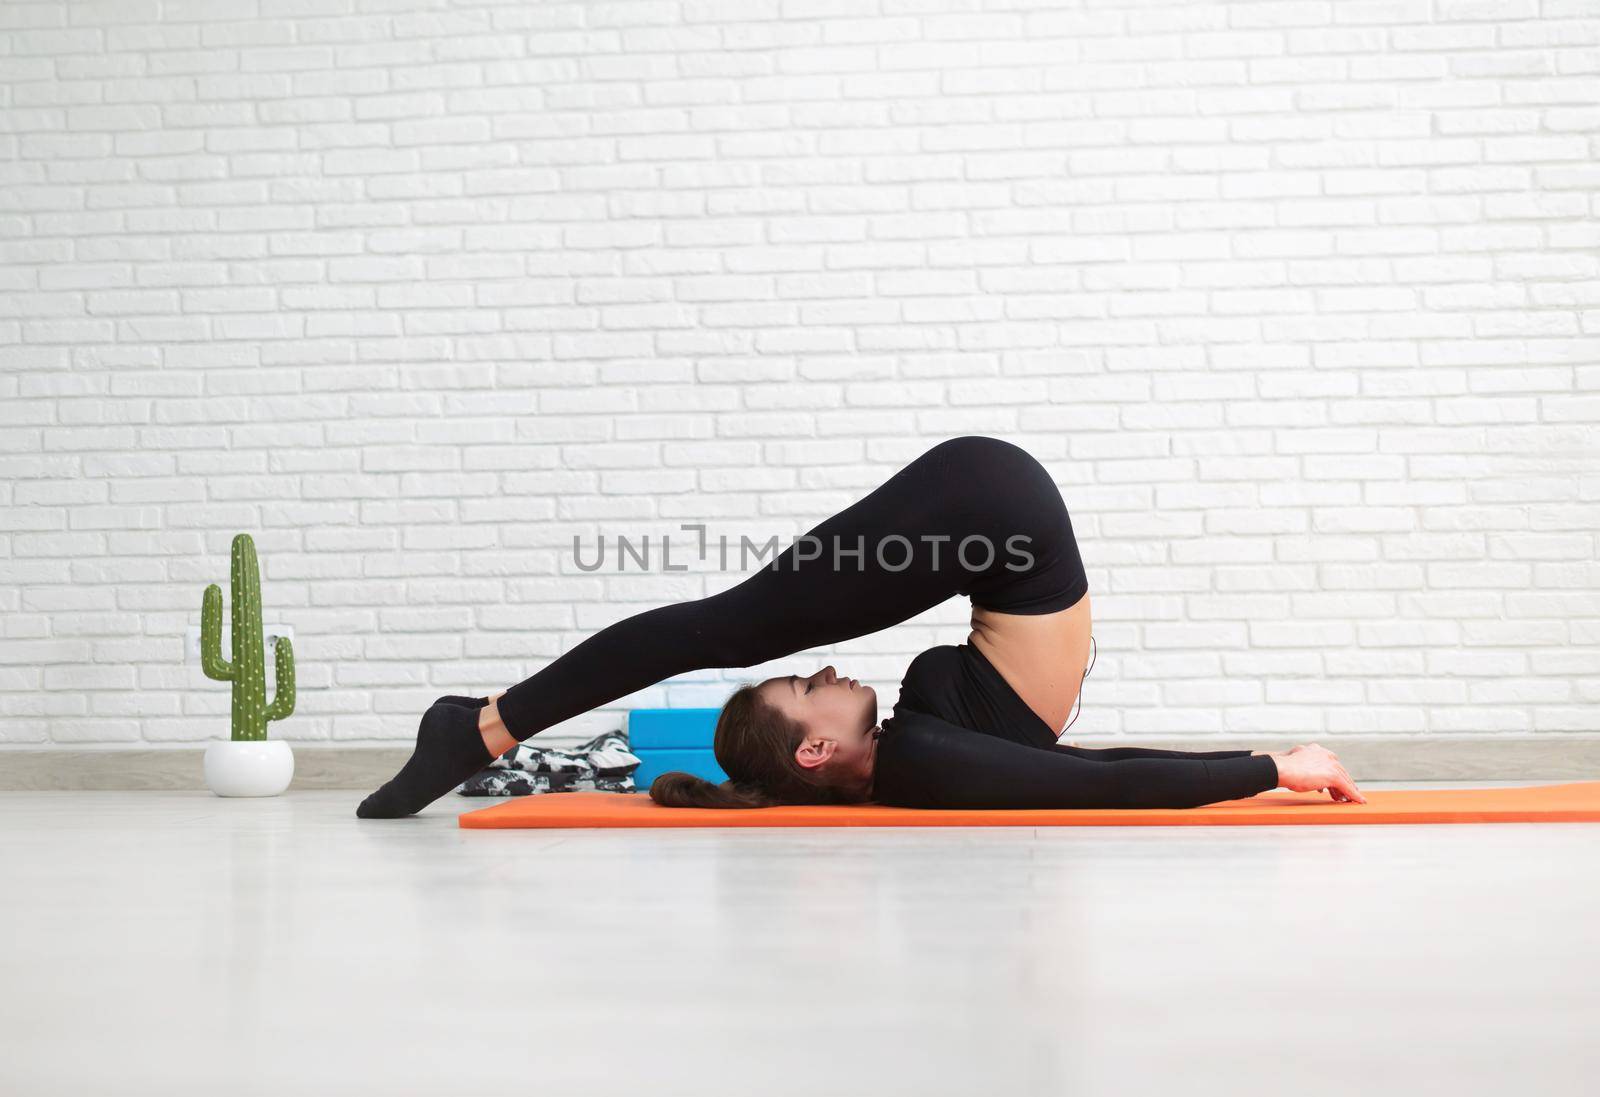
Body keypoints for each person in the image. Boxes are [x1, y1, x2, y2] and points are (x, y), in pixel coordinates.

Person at [357, 434, 1363, 818]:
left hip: (992, 516)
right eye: (806, 687)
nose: (823, 667)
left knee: (734, 625)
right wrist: (1268, 764)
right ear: (816, 745)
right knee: (734, 624)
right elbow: (1103, 776)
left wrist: (1267, 764)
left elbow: (1094, 770)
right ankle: (480, 723)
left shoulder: (924, 748)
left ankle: (483, 723)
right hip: (991, 516)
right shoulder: (928, 754)